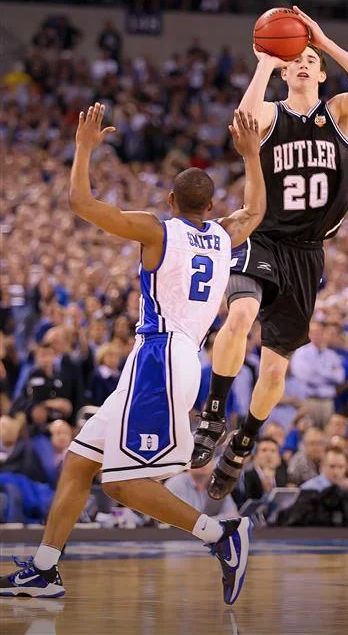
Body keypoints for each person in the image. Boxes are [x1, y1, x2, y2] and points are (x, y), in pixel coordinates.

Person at [0, 103, 266, 605]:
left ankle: (221, 536)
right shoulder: (225, 234)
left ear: (170, 199)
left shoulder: (156, 228)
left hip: (161, 357)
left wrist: (83, 147)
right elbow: (255, 209)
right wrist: (251, 156)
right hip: (169, 358)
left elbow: (81, 202)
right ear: (210, 206)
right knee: (80, 462)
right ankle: (44, 569)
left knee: (124, 485)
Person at [191, 6, 348, 500]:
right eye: (293, 59)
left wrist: (322, 41)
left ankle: (244, 440)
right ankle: (214, 412)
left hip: (307, 253)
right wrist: (264, 61)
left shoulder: (338, 112)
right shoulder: (272, 113)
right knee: (238, 317)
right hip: (263, 235)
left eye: (309, 61)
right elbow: (245, 119)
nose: (301, 64)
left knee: (276, 369)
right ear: (284, 69)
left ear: (320, 70)